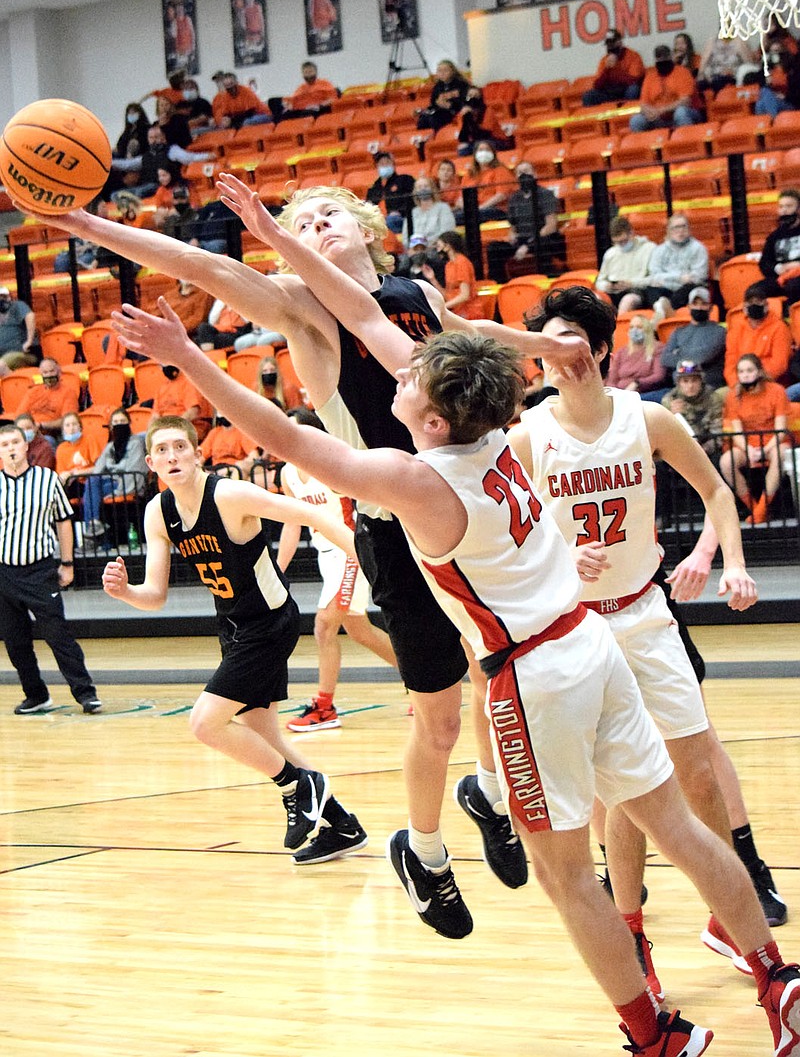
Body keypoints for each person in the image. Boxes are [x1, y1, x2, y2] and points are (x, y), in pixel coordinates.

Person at [109, 264, 800, 1057]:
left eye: (409, 381)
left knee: (567, 874)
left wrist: (187, 355)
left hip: (532, 677)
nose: (396, 375)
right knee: (675, 823)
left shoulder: (414, 480)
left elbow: (285, 434)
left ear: (433, 420)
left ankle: (655, 1036)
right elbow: (373, 320)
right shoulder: (501, 432)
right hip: (590, 642)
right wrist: (273, 239)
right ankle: (778, 980)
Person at [24, 178, 589, 937]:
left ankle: (489, 794)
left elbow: (465, 328)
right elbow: (201, 266)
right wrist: (89, 223)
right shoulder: (301, 303)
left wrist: (543, 347)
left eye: (330, 214)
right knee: (441, 717)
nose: (318, 224)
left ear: (365, 228)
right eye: (303, 220)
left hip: (472, 506)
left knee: (502, 668)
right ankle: (424, 852)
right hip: (396, 522)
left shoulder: (412, 288)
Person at [509, 285, 787, 1000]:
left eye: (568, 337)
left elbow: (718, 493)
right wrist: (558, 560)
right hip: (575, 626)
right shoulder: (528, 436)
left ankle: (733, 919)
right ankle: (632, 927)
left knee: (698, 770)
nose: (553, 353)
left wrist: (726, 560)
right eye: (544, 341)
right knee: (625, 795)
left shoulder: (649, 417)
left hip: (644, 611)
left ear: (601, 349)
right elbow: (507, 538)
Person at [101, 414, 367, 864]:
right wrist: (125, 592)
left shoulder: (228, 494)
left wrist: (368, 559)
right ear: (150, 462)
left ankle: (297, 786)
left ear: (197, 453)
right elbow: (156, 595)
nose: (172, 456)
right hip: (234, 627)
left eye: (180, 447)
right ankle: (342, 826)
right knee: (269, 740)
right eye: (162, 450)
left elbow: (308, 513)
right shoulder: (158, 513)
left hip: (269, 623)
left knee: (205, 722)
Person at [277, 406, 398, 734]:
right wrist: (278, 569)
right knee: (361, 632)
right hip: (325, 554)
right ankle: (420, 681)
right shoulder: (287, 474)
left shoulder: (328, 467)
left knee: (324, 626)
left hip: (350, 550)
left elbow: (361, 505)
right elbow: (292, 523)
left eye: (295, 430)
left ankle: (325, 707)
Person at [0, 423, 102, 715]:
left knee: (58, 636)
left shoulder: (47, 480)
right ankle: (36, 695)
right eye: (4, 444)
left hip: (40, 570)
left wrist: (67, 563)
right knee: (15, 643)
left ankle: (86, 694)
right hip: (4, 573)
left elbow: (64, 522)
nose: (10, 448)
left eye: (15, 443)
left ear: (26, 445)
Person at [720, 353, 790, 524]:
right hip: (748, 445)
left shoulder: (777, 391)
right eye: (741, 371)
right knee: (726, 462)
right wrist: (749, 450)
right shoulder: (733, 395)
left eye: (749, 370)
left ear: (759, 372)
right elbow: (737, 432)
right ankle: (753, 506)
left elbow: (781, 429)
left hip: (773, 442)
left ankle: (762, 509)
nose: (745, 375)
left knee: (782, 454)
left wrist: (764, 450)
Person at [485, 161, 564, 282]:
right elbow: (513, 227)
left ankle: (548, 280)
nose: (523, 175)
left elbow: (551, 226)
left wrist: (528, 245)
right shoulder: (514, 198)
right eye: (520, 173)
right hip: (521, 239)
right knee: (494, 248)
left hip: (543, 238)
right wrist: (513, 237)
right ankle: (501, 285)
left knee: (542, 245)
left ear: (535, 174)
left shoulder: (545, 194)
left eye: (526, 171)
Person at [82, 407, 149, 542]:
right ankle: (94, 524)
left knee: (92, 490)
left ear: (129, 423)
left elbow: (134, 472)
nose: (119, 425)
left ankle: (92, 528)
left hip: (128, 485)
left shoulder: (136, 443)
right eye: (116, 422)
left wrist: (119, 492)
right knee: (92, 482)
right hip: (110, 483)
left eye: (122, 421)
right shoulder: (110, 446)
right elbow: (98, 470)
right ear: (111, 426)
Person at [658, 286, 727, 392]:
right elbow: (665, 358)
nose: (699, 308)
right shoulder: (679, 332)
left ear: (711, 307)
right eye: (695, 304)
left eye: (703, 304)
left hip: (708, 388)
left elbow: (702, 357)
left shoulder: (720, 331)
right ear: (689, 306)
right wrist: (691, 356)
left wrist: (679, 353)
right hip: (679, 389)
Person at [723, 283, 793, 388]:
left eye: (758, 301)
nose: (754, 305)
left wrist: (754, 380)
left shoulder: (779, 327)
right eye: (750, 302)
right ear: (744, 306)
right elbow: (730, 363)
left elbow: (780, 364)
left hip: (770, 384)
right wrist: (735, 383)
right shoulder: (735, 330)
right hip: (740, 383)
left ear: (766, 305)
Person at [642, 213, 710, 319]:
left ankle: (665, 311)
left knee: (691, 287)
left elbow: (699, 276)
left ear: (689, 229)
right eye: (676, 227)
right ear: (668, 231)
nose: (680, 230)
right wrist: (679, 277)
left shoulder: (699, 248)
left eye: (683, 226)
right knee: (651, 288)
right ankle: (662, 308)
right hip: (665, 288)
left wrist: (667, 278)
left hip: (685, 290)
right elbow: (654, 275)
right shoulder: (659, 250)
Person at [629, 44, 703, 132]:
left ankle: (687, 141)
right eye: (659, 60)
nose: (662, 63)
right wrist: (650, 112)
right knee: (636, 120)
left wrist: (662, 110)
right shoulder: (650, 77)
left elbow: (685, 101)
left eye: (665, 59)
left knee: (681, 112)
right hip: (659, 118)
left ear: (670, 57)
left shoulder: (683, 72)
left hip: (687, 113)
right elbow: (643, 104)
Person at [594, 215, 655, 312]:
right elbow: (599, 282)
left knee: (627, 301)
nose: (621, 245)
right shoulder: (610, 253)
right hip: (612, 291)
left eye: (623, 241)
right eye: (617, 242)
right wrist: (607, 286)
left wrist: (631, 283)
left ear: (631, 233)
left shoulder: (649, 248)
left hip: (637, 290)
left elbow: (655, 278)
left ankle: (620, 326)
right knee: (594, 299)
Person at [661, 361, 724, 456]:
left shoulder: (713, 398)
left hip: (708, 448)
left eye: (694, 380)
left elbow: (718, 434)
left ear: (701, 381)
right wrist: (671, 415)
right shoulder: (669, 400)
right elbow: (663, 435)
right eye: (685, 381)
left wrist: (704, 449)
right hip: (679, 450)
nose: (690, 386)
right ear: (678, 383)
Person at [421, 231, 483, 320]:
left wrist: (443, 308)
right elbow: (448, 296)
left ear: (448, 245)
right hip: (455, 311)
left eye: (439, 244)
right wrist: (433, 279)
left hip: (469, 312)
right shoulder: (449, 265)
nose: (437, 247)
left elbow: (465, 295)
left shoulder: (462, 262)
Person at [754, 188, 800, 306]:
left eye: (789, 206)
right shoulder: (774, 236)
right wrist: (779, 268)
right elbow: (764, 263)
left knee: (793, 287)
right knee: (755, 292)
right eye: (781, 207)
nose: (784, 211)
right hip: (780, 277)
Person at [18, 359, 80, 444]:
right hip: (28, 432)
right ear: (41, 374)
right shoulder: (32, 391)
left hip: (51, 435)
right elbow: (20, 416)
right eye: (45, 372)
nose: (49, 375)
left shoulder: (68, 393)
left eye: (52, 371)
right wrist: (29, 427)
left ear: (59, 372)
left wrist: (41, 425)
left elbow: (68, 421)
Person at [454, 140, 516, 223]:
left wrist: (481, 207)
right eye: (480, 150)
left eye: (487, 150)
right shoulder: (469, 175)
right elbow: (460, 198)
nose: (484, 152)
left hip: (496, 209)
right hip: (473, 211)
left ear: (493, 153)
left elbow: (501, 195)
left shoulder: (501, 170)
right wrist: (468, 209)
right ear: (475, 154)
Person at [604, 314, 666, 394]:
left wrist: (637, 383)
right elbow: (612, 380)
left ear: (647, 330)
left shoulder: (658, 348)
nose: (634, 330)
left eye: (639, 327)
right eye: (631, 327)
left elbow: (659, 376)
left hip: (645, 392)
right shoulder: (621, 351)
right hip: (621, 394)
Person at [582, 28, 645, 106]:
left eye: (612, 43)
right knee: (588, 96)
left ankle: (629, 115)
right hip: (610, 93)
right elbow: (597, 85)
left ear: (620, 42)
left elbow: (635, 81)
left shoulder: (633, 56)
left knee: (634, 89)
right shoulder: (604, 60)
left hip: (626, 90)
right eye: (608, 44)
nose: (610, 46)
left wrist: (616, 70)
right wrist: (607, 69)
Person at [153, 363, 212, 441]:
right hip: (165, 430)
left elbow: (193, 412)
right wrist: (151, 432)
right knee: (137, 440)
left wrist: (173, 428)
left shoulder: (189, 382)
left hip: (189, 426)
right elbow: (155, 416)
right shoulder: (162, 387)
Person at [365, 153, 416, 237]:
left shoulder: (404, 180)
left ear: (393, 164)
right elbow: (369, 205)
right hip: (379, 220)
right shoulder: (374, 187)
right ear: (377, 166)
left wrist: (400, 212)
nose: (385, 165)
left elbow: (413, 200)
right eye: (382, 164)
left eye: (387, 162)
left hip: (400, 218)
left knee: (391, 220)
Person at [55, 411, 104, 497]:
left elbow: (100, 466)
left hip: (89, 482)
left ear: (80, 427)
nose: (71, 428)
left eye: (74, 424)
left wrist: (78, 473)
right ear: (63, 430)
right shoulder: (61, 449)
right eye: (67, 425)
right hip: (71, 484)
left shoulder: (89, 440)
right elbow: (61, 474)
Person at [415, 59, 471, 133]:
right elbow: (433, 103)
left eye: (445, 70)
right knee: (423, 119)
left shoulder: (461, 84)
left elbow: (466, 101)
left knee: (435, 119)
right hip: (440, 112)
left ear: (453, 71)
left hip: (454, 112)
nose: (442, 73)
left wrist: (450, 106)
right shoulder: (438, 86)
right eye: (439, 71)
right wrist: (423, 111)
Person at [456, 85, 511, 155]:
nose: (472, 98)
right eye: (470, 95)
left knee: (482, 145)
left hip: (496, 140)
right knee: (462, 150)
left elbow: (485, 133)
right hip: (477, 142)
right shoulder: (463, 114)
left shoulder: (488, 111)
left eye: (476, 95)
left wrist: (471, 118)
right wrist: (467, 117)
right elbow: (463, 137)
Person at [406, 177, 456, 246]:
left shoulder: (443, 207)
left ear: (432, 189)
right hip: (416, 249)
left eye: (426, 186)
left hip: (437, 247)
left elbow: (447, 231)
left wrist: (429, 244)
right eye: (419, 187)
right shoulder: (412, 212)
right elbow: (406, 237)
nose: (423, 189)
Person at [0, 285, 37, 363]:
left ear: (9, 297)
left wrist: (29, 341)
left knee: (3, 363)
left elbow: (30, 316)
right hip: (2, 355)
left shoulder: (17, 305)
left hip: (20, 354)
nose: (1, 299)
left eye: (3, 297)